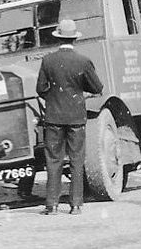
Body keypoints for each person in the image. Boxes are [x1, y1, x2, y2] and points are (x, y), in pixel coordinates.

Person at [36, 19, 103, 215]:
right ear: (74, 38)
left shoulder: (48, 60)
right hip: (76, 117)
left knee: (53, 160)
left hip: (54, 117)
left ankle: (52, 205)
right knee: (76, 159)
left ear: (58, 38)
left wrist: (54, 98)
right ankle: (75, 205)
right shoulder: (83, 61)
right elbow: (98, 87)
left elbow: (40, 89)